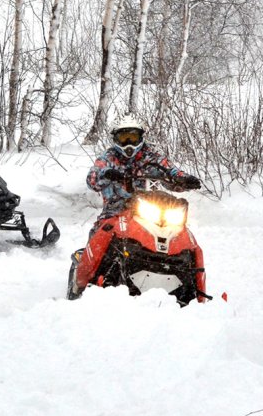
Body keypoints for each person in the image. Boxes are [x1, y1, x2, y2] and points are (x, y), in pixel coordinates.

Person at [70, 115, 201, 298]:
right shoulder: (108, 158)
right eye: (124, 138)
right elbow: (92, 178)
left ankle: (197, 292)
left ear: (141, 137)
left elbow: (170, 171)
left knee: (185, 236)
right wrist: (106, 174)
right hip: (117, 210)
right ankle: (81, 281)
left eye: (133, 137)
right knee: (105, 231)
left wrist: (183, 178)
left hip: (151, 210)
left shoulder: (151, 157)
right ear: (116, 139)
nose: (129, 143)